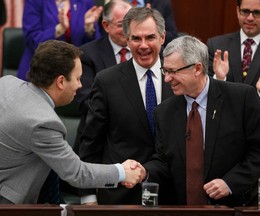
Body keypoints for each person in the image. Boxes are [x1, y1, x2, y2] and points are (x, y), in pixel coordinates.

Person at [0, 40, 145, 204]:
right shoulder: (42, 123)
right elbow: (77, 173)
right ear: (61, 82)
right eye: (77, 78)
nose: (80, 85)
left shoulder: (7, 83)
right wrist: (122, 172)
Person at [144, 35, 260, 207]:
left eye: (173, 71)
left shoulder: (241, 98)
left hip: (233, 206)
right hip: (182, 209)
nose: (167, 78)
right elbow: (164, 161)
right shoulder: (164, 112)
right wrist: (144, 171)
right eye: (165, 71)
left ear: (197, 69)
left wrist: (230, 183)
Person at [79, 7, 173, 205]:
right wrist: (88, 196)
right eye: (136, 39)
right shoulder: (107, 81)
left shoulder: (178, 77)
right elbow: (91, 141)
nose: (143, 45)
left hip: (173, 193)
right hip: (121, 195)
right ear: (127, 40)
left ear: (163, 38)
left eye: (150, 37)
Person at [207, 0, 260, 136]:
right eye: (245, 11)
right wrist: (219, 79)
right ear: (237, 11)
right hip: (223, 134)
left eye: (257, 13)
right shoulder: (216, 45)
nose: (250, 18)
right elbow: (201, 94)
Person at [73, 0, 132, 154]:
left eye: (131, 22)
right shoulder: (87, 54)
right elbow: (86, 102)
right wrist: (129, 111)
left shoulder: (144, 52)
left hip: (137, 141)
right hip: (98, 140)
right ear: (106, 26)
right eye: (121, 24)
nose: (128, 29)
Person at [17, 0, 104, 81]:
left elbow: (93, 46)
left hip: (76, 74)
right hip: (41, 70)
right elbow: (32, 39)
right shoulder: (35, 1)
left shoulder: (85, 2)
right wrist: (59, 29)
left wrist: (88, 28)